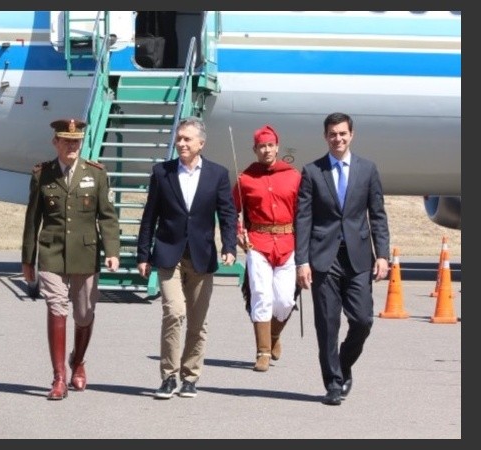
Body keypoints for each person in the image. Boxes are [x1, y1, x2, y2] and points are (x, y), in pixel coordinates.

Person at [136, 116, 238, 399]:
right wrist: (143, 254)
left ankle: (190, 377)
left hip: (202, 255)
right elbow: (150, 216)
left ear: (200, 144)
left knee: (197, 321)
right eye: (179, 138)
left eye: (187, 139)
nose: (181, 143)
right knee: (174, 312)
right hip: (169, 253)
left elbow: (228, 214)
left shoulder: (217, 174)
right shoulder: (162, 172)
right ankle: (168, 376)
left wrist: (229, 245)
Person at [294, 112, 390, 406]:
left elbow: (377, 215)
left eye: (343, 133)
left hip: (359, 258)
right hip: (323, 259)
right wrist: (302, 261)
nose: (338, 138)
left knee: (362, 321)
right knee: (327, 325)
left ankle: (344, 362)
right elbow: (304, 219)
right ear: (326, 137)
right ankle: (333, 384)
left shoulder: (367, 170)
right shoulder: (312, 172)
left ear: (352, 135)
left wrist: (383, 255)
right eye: (332, 134)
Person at [21, 118, 121, 401]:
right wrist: (28, 258)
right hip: (51, 251)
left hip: (85, 252)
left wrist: (112, 251)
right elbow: (33, 219)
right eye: (66, 141)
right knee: (56, 306)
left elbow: (107, 216)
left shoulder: (96, 174)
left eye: (76, 141)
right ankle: (58, 378)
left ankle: (77, 361)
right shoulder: (43, 174)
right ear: (56, 142)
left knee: (84, 312)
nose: (72, 146)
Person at [232, 125, 301, 372]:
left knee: (284, 300)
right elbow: (231, 211)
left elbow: (303, 213)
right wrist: (239, 234)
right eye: (262, 146)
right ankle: (262, 351)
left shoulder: (293, 176)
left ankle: (273, 337)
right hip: (258, 243)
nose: (267, 150)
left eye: (270, 145)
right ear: (255, 149)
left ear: (277, 147)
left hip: (288, 243)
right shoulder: (245, 179)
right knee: (261, 295)